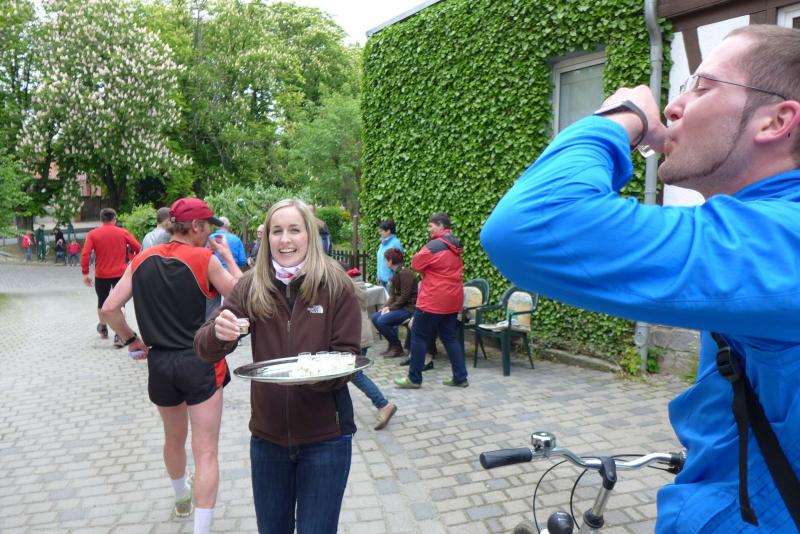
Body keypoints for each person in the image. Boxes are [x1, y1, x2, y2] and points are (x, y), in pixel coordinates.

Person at [480, 25, 800, 534]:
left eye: (702, 87)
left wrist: (621, 116)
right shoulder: (757, 232)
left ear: (777, 121)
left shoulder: (785, 241)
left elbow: (532, 226)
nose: (673, 107)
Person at [194, 198, 360, 534]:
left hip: (326, 438)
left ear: (309, 234)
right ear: (266, 237)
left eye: (294, 230)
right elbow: (204, 347)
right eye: (276, 231)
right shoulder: (251, 285)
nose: (285, 240)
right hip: (267, 438)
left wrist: (308, 375)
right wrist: (220, 333)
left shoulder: (335, 284)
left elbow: (348, 355)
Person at [100, 197, 242, 534]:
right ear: (196, 226)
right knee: (205, 451)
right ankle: (201, 529)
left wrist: (132, 340)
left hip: (160, 363)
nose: (210, 234)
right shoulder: (204, 258)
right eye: (207, 228)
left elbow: (108, 309)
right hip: (201, 360)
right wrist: (226, 257)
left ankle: (181, 498)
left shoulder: (142, 259)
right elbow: (241, 293)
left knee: (173, 439)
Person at [395, 212, 468, 389]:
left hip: (434, 299)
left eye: (431, 225)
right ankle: (460, 377)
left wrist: (426, 270)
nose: (429, 229)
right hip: (453, 298)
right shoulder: (456, 245)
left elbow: (416, 264)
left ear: (441, 225)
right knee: (450, 338)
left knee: (418, 336)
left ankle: (414, 379)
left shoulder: (434, 245)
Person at [81, 208, 142, 347]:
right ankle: (119, 335)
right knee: (120, 304)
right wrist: (132, 261)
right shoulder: (123, 232)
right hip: (120, 274)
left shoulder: (92, 234)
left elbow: (85, 254)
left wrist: (85, 273)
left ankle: (103, 327)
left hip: (101, 274)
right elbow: (139, 248)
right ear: (114, 219)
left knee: (102, 302)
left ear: (101, 219)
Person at [347, 267, 398, 430]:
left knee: (354, 374)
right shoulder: (357, 285)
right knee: (349, 374)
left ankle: (383, 404)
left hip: (355, 337)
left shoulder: (345, 287)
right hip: (360, 335)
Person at [371, 248, 417, 358]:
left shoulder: (405, 274)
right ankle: (393, 345)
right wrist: (386, 307)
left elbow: (404, 297)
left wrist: (391, 308)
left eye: (386, 259)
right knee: (375, 317)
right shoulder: (396, 273)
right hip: (401, 307)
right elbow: (393, 295)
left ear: (391, 261)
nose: (385, 262)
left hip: (409, 308)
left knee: (382, 321)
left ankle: (397, 347)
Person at [376, 219, 403, 288]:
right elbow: (380, 260)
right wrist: (378, 275)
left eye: (381, 231)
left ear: (388, 231)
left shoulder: (396, 243)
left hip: (391, 281)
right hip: (381, 280)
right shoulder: (382, 244)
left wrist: (393, 279)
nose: (380, 233)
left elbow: (399, 263)